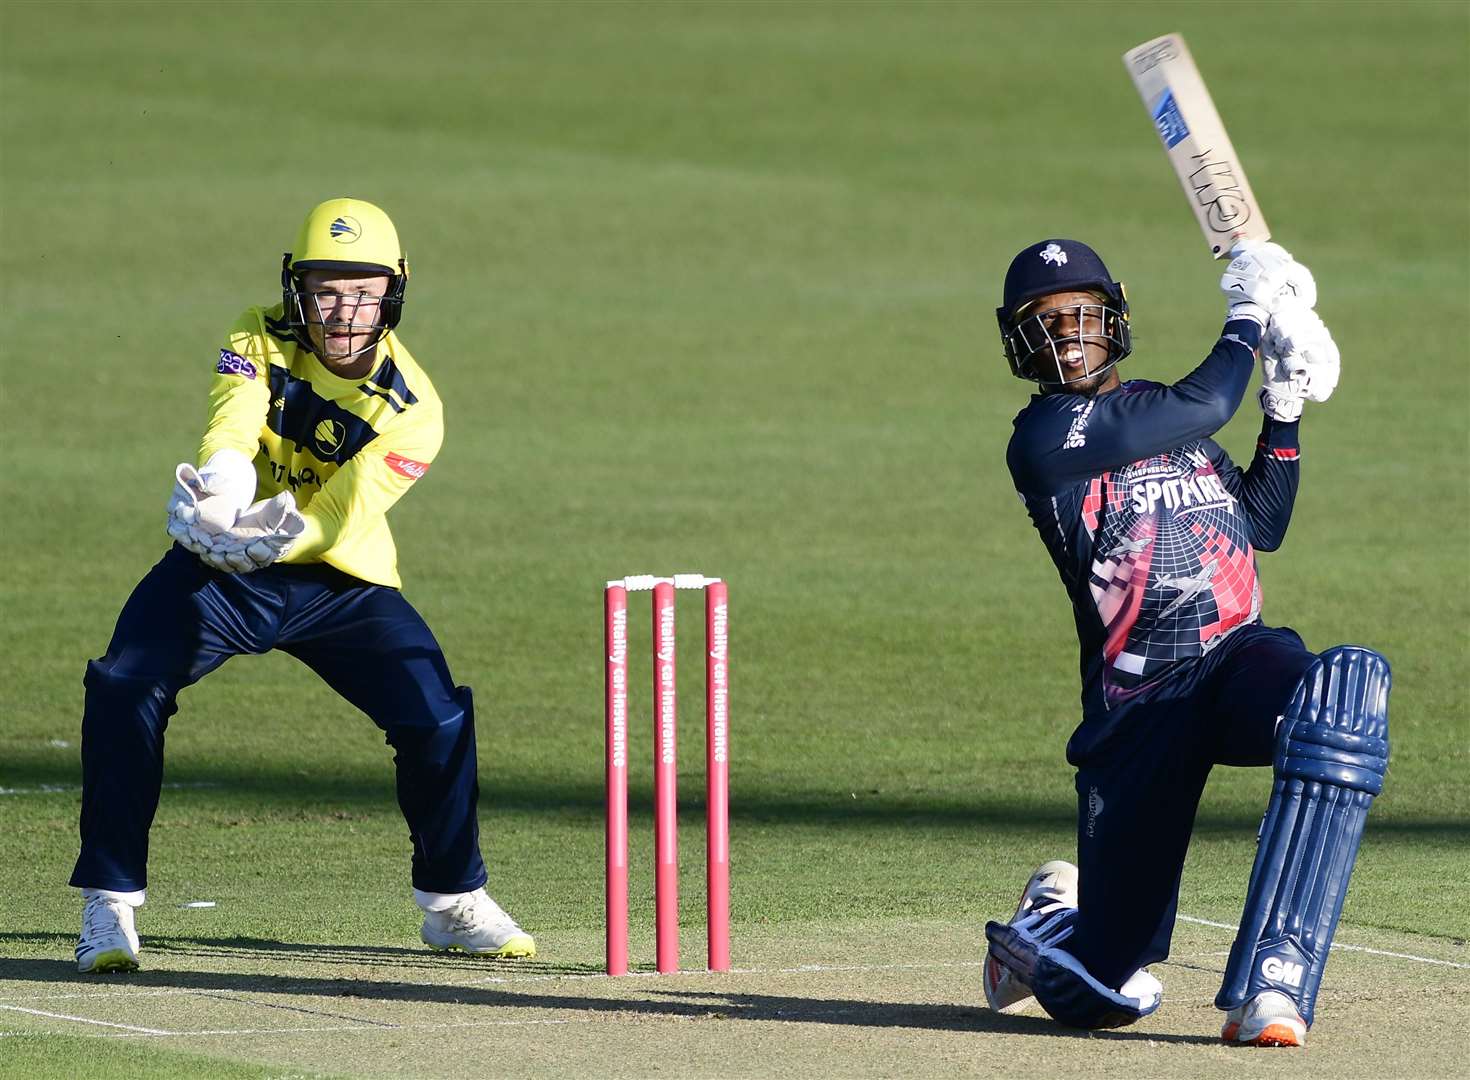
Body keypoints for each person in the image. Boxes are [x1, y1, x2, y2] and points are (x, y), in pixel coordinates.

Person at [72, 198, 535, 973]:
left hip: (336, 578)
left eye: (361, 289)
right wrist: (220, 493)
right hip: (218, 568)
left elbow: (343, 513)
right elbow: (231, 421)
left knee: (438, 716)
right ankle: (109, 906)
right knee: (123, 685)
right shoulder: (255, 332)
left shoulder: (415, 412)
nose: (341, 308)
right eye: (324, 288)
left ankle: (452, 901)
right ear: (297, 289)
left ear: (394, 291)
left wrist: (280, 535)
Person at [982, 239, 1390, 1047]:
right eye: (1047, 321)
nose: (1068, 335)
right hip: (1140, 709)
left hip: (1236, 658)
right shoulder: (1046, 437)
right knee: (1105, 988)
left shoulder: (1163, 416)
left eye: (1083, 316)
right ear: (1018, 341)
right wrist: (1247, 316)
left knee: (1340, 694)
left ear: (1115, 320)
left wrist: (1284, 401)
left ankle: (1275, 978)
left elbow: (1262, 523)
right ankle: (1044, 933)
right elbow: (1206, 404)